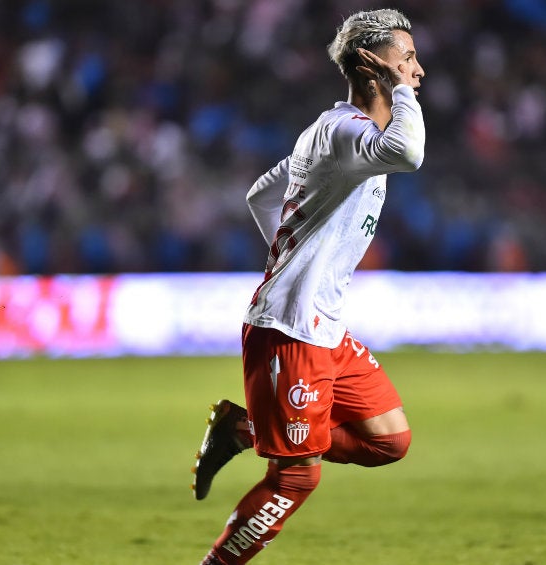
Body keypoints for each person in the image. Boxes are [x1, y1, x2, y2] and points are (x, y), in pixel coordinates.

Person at [192, 8, 426, 565]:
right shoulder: (345, 134)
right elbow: (410, 152)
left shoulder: (338, 135)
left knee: (389, 439)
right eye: (407, 59)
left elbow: (260, 195)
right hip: (289, 332)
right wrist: (295, 270)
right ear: (375, 70)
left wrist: (296, 256)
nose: (417, 71)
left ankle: (245, 427)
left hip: (322, 325)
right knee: (296, 479)